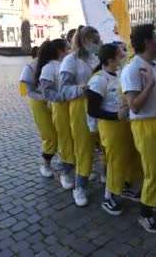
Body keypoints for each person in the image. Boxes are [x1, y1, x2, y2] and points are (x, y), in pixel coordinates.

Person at [121, 24, 156, 233]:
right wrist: (150, 85)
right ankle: (145, 215)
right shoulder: (132, 69)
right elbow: (134, 105)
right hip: (147, 126)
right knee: (154, 172)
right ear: (147, 42)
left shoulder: (155, 65)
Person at [86, 43, 142, 215]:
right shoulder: (98, 80)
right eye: (120, 54)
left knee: (130, 157)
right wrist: (114, 116)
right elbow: (92, 110)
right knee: (115, 161)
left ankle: (125, 186)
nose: (124, 55)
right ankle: (108, 197)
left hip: (126, 125)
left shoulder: (118, 74)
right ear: (111, 60)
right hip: (111, 128)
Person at [59, 26, 102, 206]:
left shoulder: (95, 58)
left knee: (102, 144)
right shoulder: (70, 60)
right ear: (84, 41)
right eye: (95, 41)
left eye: (98, 41)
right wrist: (81, 88)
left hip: (99, 103)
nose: (98, 44)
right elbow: (64, 89)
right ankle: (79, 187)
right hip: (80, 106)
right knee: (83, 147)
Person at [38, 39, 73, 190]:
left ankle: (77, 169)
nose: (70, 49)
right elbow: (46, 91)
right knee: (65, 140)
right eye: (68, 47)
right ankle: (64, 173)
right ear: (60, 50)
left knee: (75, 139)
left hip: (74, 106)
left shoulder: (68, 63)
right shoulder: (49, 67)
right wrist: (63, 97)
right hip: (61, 108)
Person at [20, 42, 58, 178]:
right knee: (50, 135)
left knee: (64, 132)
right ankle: (45, 163)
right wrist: (44, 98)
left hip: (56, 101)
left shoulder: (57, 65)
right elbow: (29, 91)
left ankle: (67, 162)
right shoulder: (30, 68)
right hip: (40, 103)